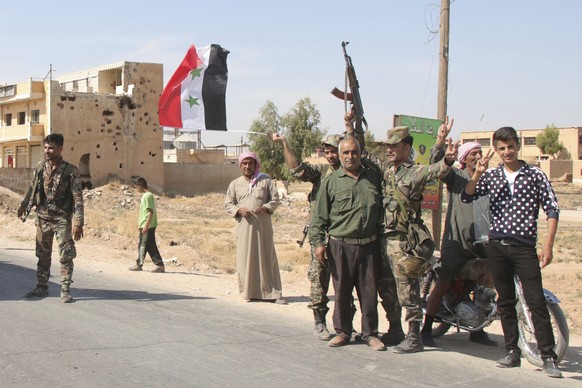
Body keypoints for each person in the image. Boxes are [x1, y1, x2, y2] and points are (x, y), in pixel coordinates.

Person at [462, 127, 562, 378]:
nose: (507, 152)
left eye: (511, 147)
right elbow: (467, 196)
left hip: (524, 248)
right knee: (505, 301)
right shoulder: (491, 176)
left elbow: (552, 210)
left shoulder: (535, 175)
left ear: (518, 146)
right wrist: (477, 174)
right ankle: (512, 352)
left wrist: (548, 245)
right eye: (502, 148)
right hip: (497, 247)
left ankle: (548, 356)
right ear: (496, 150)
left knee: (536, 300)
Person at [421, 118, 496, 347]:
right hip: (456, 244)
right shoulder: (457, 177)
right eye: (472, 154)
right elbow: (438, 167)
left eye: (479, 152)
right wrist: (441, 142)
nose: (477, 156)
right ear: (464, 159)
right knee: (444, 281)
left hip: (482, 243)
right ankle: (426, 328)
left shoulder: (489, 180)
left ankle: (477, 329)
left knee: (484, 284)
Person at [383, 125, 457, 354]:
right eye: (388, 146)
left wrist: (447, 160)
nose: (389, 150)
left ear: (407, 147)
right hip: (386, 239)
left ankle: (414, 337)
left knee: (408, 290)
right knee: (389, 289)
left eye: (394, 146)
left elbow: (437, 171)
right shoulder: (388, 172)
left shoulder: (414, 172)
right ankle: (396, 329)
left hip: (405, 242)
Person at [309, 137, 386, 351]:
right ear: (340, 156)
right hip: (340, 246)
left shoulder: (373, 177)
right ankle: (343, 332)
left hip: (369, 246)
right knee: (342, 291)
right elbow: (318, 219)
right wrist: (318, 243)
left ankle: (370, 334)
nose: (350, 156)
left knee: (369, 293)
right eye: (346, 153)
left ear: (360, 154)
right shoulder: (331, 182)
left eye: (354, 152)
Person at [271, 132, 343, 340]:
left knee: (345, 281)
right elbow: (296, 169)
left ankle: (345, 323)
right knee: (319, 279)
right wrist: (285, 143)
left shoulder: (353, 172)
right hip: (322, 233)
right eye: (327, 152)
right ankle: (320, 322)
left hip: (345, 235)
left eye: (334, 151)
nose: (331, 156)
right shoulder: (322, 172)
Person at [17, 133, 84, 303]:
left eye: (51, 148)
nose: (47, 151)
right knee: (42, 254)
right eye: (45, 147)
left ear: (60, 149)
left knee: (66, 255)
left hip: (62, 220)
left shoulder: (71, 171)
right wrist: (24, 205)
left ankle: (65, 289)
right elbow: (32, 189)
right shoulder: (40, 167)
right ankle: (42, 287)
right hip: (43, 218)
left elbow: (77, 198)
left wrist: (78, 222)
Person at [225, 152, 285, 303]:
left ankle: (273, 293)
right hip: (244, 228)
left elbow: (275, 199)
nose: (247, 166)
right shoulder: (235, 184)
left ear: (255, 164)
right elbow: (228, 204)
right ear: (240, 165)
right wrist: (238, 210)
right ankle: (248, 292)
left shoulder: (265, 180)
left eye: (250, 163)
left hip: (263, 227)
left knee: (267, 257)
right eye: (244, 163)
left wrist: (265, 207)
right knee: (246, 258)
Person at [128, 177, 165, 273]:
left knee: (142, 245)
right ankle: (160, 265)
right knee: (151, 246)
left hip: (147, 225)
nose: (136, 189)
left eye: (136, 186)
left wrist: (145, 226)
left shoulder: (147, 196)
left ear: (140, 185)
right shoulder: (148, 195)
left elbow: (150, 212)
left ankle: (139, 264)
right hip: (149, 225)